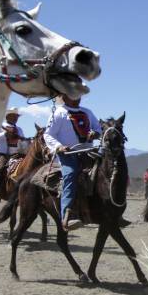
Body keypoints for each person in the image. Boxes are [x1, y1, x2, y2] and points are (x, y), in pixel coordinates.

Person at [44, 93, 101, 231]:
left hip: (89, 152)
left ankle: (113, 210)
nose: (78, 97)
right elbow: (48, 134)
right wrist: (59, 147)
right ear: (65, 97)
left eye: (78, 94)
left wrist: (96, 133)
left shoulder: (87, 112)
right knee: (71, 175)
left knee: (108, 169)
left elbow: (98, 128)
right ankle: (67, 216)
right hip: (68, 153)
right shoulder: (58, 112)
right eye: (73, 94)